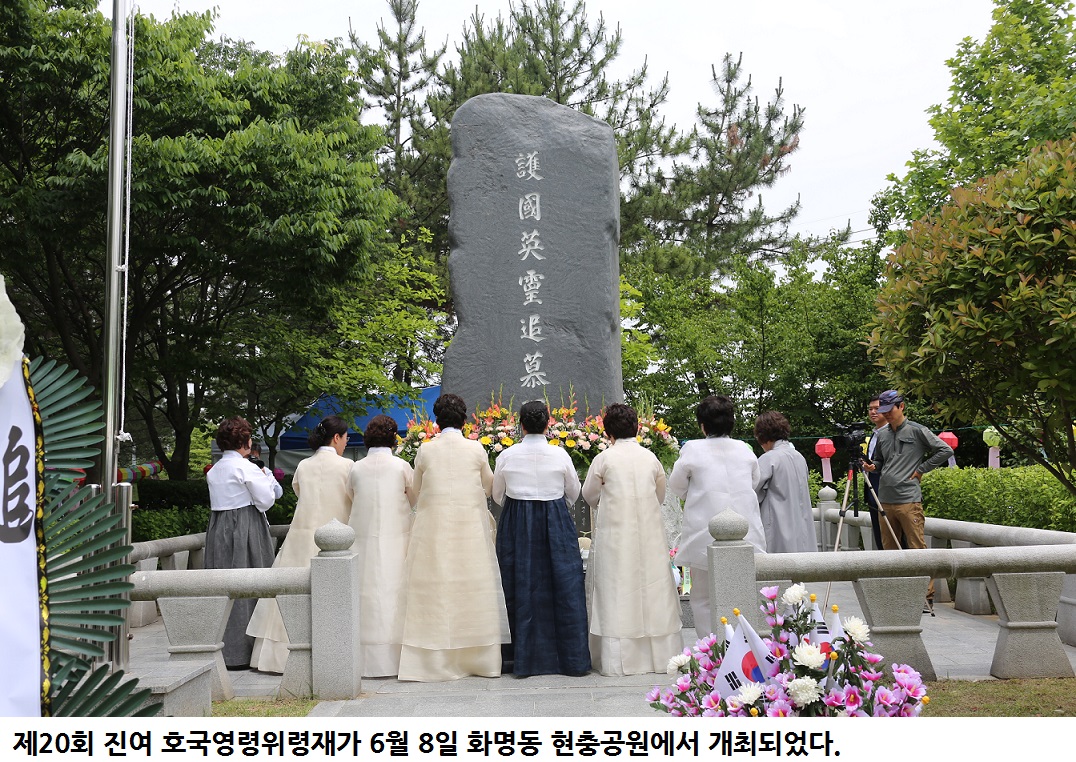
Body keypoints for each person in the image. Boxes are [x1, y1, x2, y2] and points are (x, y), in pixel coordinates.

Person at [397, 393, 510, 681]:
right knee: (474, 586)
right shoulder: (476, 449)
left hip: (432, 527)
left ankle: (431, 661)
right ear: (465, 419)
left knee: (433, 587)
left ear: (436, 420)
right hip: (469, 526)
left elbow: (417, 488)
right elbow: (489, 486)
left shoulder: (425, 450)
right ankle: (480, 660)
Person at [247, 415, 354, 673]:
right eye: (345, 437)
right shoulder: (347, 465)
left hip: (300, 534)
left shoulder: (304, 465)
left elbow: (298, 492)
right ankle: (335, 652)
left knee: (288, 593)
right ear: (337, 438)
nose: (346, 442)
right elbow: (352, 498)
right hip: (334, 536)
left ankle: (278, 657)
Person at [582, 402, 682, 676]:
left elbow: (589, 496)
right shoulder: (651, 458)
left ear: (607, 432)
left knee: (616, 589)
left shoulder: (603, 459)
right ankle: (660, 658)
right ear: (637, 427)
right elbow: (660, 497)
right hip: (650, 535)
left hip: (615, 536)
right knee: (653, 591)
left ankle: (618, 662)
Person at [492, 400, 590, 677]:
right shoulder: (560, 455)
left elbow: (497, 494)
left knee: (518, 583)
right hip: (556, 518)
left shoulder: (507, 456)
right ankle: (569, 659)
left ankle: (518, 659)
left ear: (520, 424)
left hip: (516, 521)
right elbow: (574, 492)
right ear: (548, 423)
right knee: (563, 583)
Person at [668, 395, 765, 634]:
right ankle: (744, 645)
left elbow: (677, 486)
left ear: (702, 425)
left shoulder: (692, 449)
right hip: (745, 530)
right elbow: (755, 481)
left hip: (704, 531)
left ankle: (709, 650)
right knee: (743, 592)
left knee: (703, 597)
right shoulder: (744, 449)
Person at [864, 390, 953, 613]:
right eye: (882, 410)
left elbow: (945, 449)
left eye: (889, 410)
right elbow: (880, 461)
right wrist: (873, 467)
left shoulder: (917, 430)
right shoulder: (883, 435)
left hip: (908, 499)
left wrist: (922, 469)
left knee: (916, 548)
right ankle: (897, 594)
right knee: (890, 549)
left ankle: (926, 597)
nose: (886, 414)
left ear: (901, 407)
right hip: (884, 499)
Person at [204, 417, 279, 670]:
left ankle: (227, 650)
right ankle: (250, 651)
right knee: (253, 585)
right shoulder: (246, 468)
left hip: (218, 527)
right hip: (246, 526)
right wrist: (267, 478)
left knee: (224, 586)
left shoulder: (214, 470)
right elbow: (266, 501)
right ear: (244, 441)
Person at [347, 414, 416, 678]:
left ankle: (362, 658)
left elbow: (350, 495)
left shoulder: (355, 467)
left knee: (365, 593)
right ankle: (396, 656)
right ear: (392, 438)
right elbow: (414, 497)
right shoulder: (401, 466)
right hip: (397, 536)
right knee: (394, 590)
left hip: (361, 538)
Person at [753, 411, 816, 554]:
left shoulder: (769, 458)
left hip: (777, 527)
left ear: (763, 436)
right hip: (801, 526)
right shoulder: (799, 457)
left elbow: (752, 493)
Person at [864, 395, 889, 550]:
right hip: (872, 489)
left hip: (886, 491)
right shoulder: (874, 433)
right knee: (879, 536)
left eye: (877, 409)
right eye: (870, 409)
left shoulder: (891, 433)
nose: (873, 412)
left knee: (891, 535)